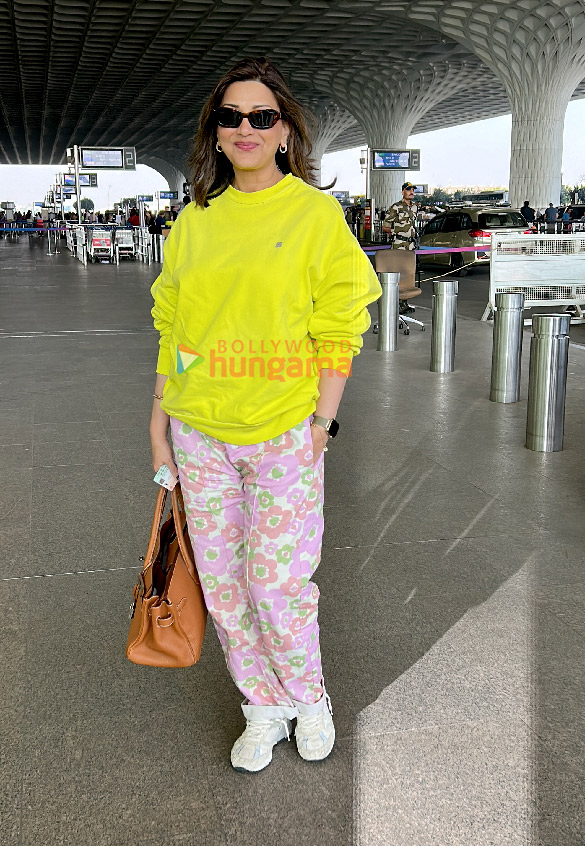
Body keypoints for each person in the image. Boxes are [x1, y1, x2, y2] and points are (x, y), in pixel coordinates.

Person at [150, 56, 380, 774]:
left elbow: (337, 329)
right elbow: (178, 329)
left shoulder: (314, 215)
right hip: (199, 430)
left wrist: (320, 427)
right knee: (222, 585)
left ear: (285, 132)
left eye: (261, 117)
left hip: (283, 430)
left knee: (275, 583)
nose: (244, 128)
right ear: (213, 134)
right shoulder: (195, 220)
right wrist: (160, 419)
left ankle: (308, 699)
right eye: (230, 117)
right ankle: (262, 707)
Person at [382, 181, 419, 313]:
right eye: (409, 190)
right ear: (403, 191)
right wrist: (396, 233)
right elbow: (385, 226)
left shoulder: (414, 208)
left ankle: (404, 302)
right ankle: (396, 301)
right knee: (398, 273)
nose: (411, 192)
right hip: (399, 244)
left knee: (409, 273)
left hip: (411, 244)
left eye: (413, 190)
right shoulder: (396, 207)